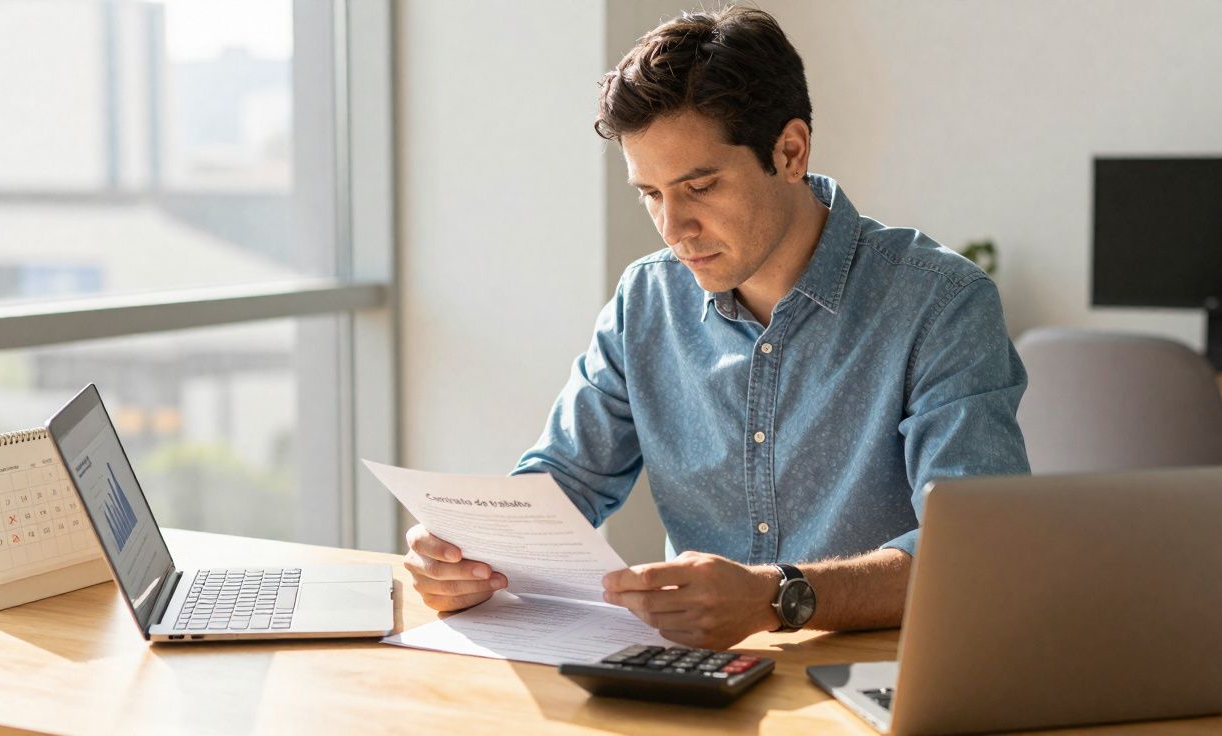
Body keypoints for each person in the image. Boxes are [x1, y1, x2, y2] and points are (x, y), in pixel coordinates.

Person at [403, 5, 1029, 649]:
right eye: (650, 194)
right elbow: (565, 480)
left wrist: (776, 597)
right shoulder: (646, 299)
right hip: (698, 677)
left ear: (789, 151)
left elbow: (977, 553)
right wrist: (472, 554)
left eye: (698, 186)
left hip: (879, 677)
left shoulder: (941, 302)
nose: (673, 230)